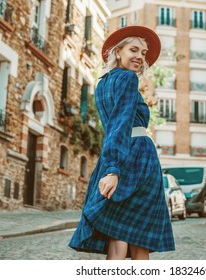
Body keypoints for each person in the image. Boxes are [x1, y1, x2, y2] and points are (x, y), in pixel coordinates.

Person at [69, 26, 175, 259]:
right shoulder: (127, 78)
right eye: (133, 49)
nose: (140, 56)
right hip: (138, 158)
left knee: (121, 231)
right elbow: (120, 122)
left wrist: (110, 166)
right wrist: (113, 170)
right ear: (118, 51)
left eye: (143, 52)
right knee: (138, 238)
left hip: (118, 154)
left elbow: (113, 127)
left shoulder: (102, 83)